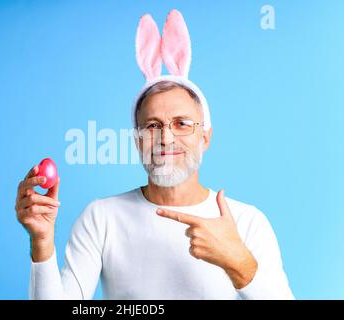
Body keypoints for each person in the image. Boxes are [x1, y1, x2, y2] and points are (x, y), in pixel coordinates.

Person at [15, 9, 294, 300]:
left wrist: (240, 264)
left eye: (182, 124)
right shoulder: (101, 218)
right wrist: (42, 242)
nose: (166, 137)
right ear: (137, 141)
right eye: (152, 126)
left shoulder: (247, 222)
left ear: (205, 137)